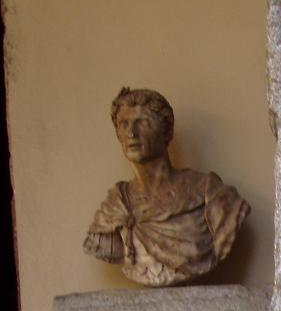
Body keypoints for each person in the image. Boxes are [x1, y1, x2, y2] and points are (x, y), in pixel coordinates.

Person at [84, 87, 250, 286]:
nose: (131, 133)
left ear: (167, 132)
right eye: (123, 124)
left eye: (143, 123)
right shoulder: (115, 208)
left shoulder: (209, 192)